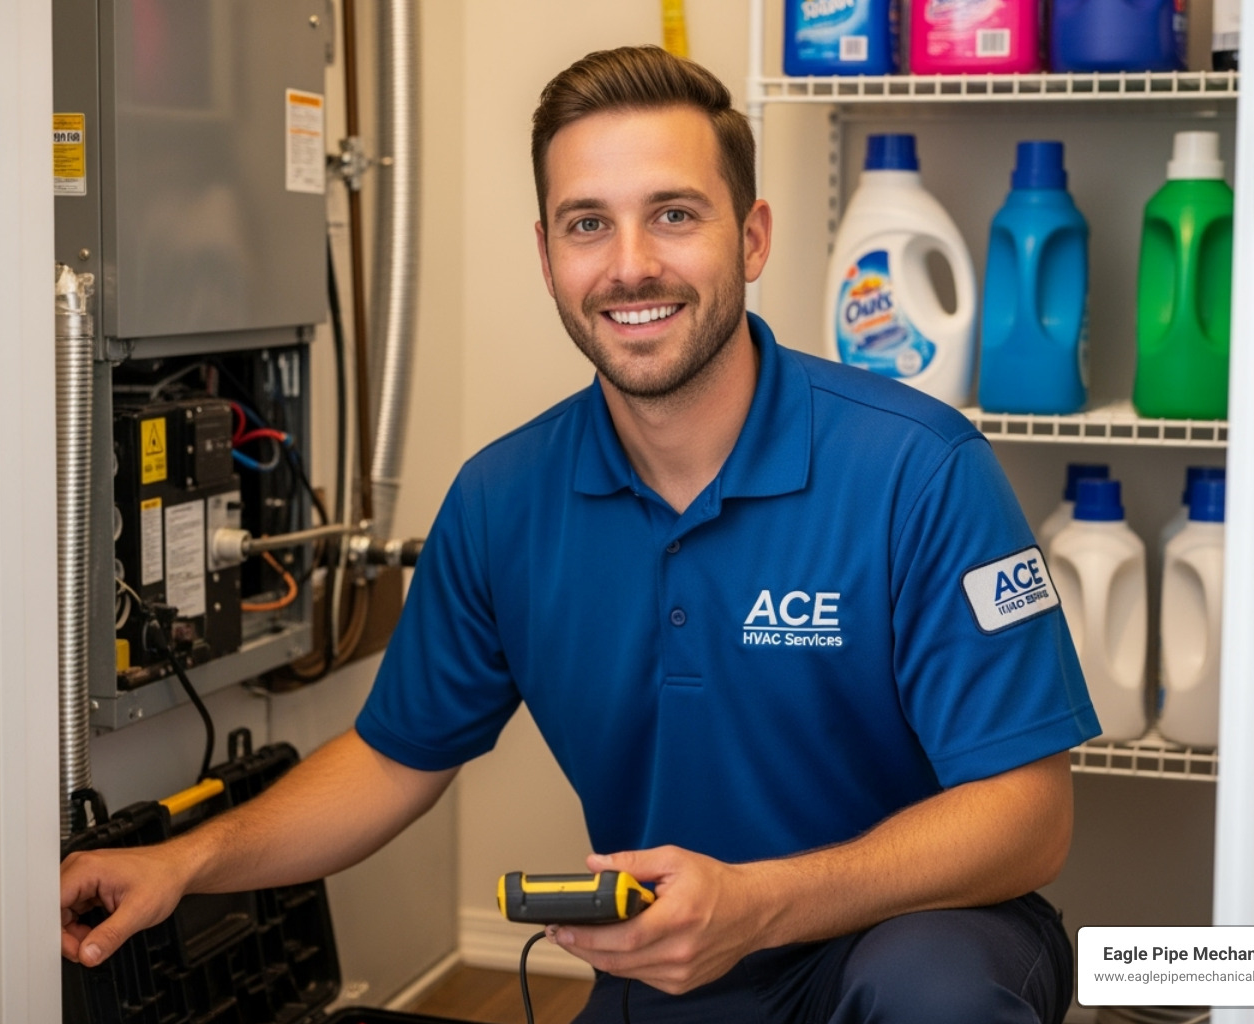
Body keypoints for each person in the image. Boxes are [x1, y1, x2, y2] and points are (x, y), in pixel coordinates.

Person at [62, 45, 1100, 1023]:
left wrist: (761, 904)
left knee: (933, 987)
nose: (631, 266)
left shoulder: (918, 468)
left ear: (752, 236)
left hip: (908, 946)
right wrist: (182, 863)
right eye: (587, 223)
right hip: (675, 967)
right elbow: (391, 759)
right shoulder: (503, 501)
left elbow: (1028, 817)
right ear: (549, 253)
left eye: (675, 214)